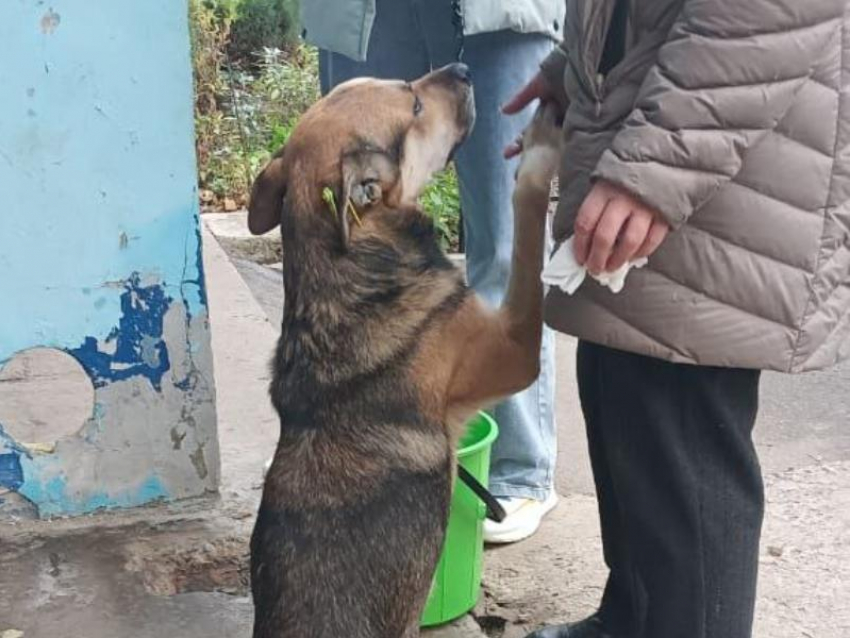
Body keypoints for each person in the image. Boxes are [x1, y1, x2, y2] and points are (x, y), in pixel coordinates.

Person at [503, 0, 850, 636]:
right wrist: (578, 65)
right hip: (654, 115)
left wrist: (656, 165)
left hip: (712, 151)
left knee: (677, 430)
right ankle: (631, 618)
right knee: (622, 395)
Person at [299, 0, 564, 542]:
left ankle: (516, 469)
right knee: (344, 243)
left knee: (503, 240)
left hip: (499, 15)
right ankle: (351, 466)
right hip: (365, 14)